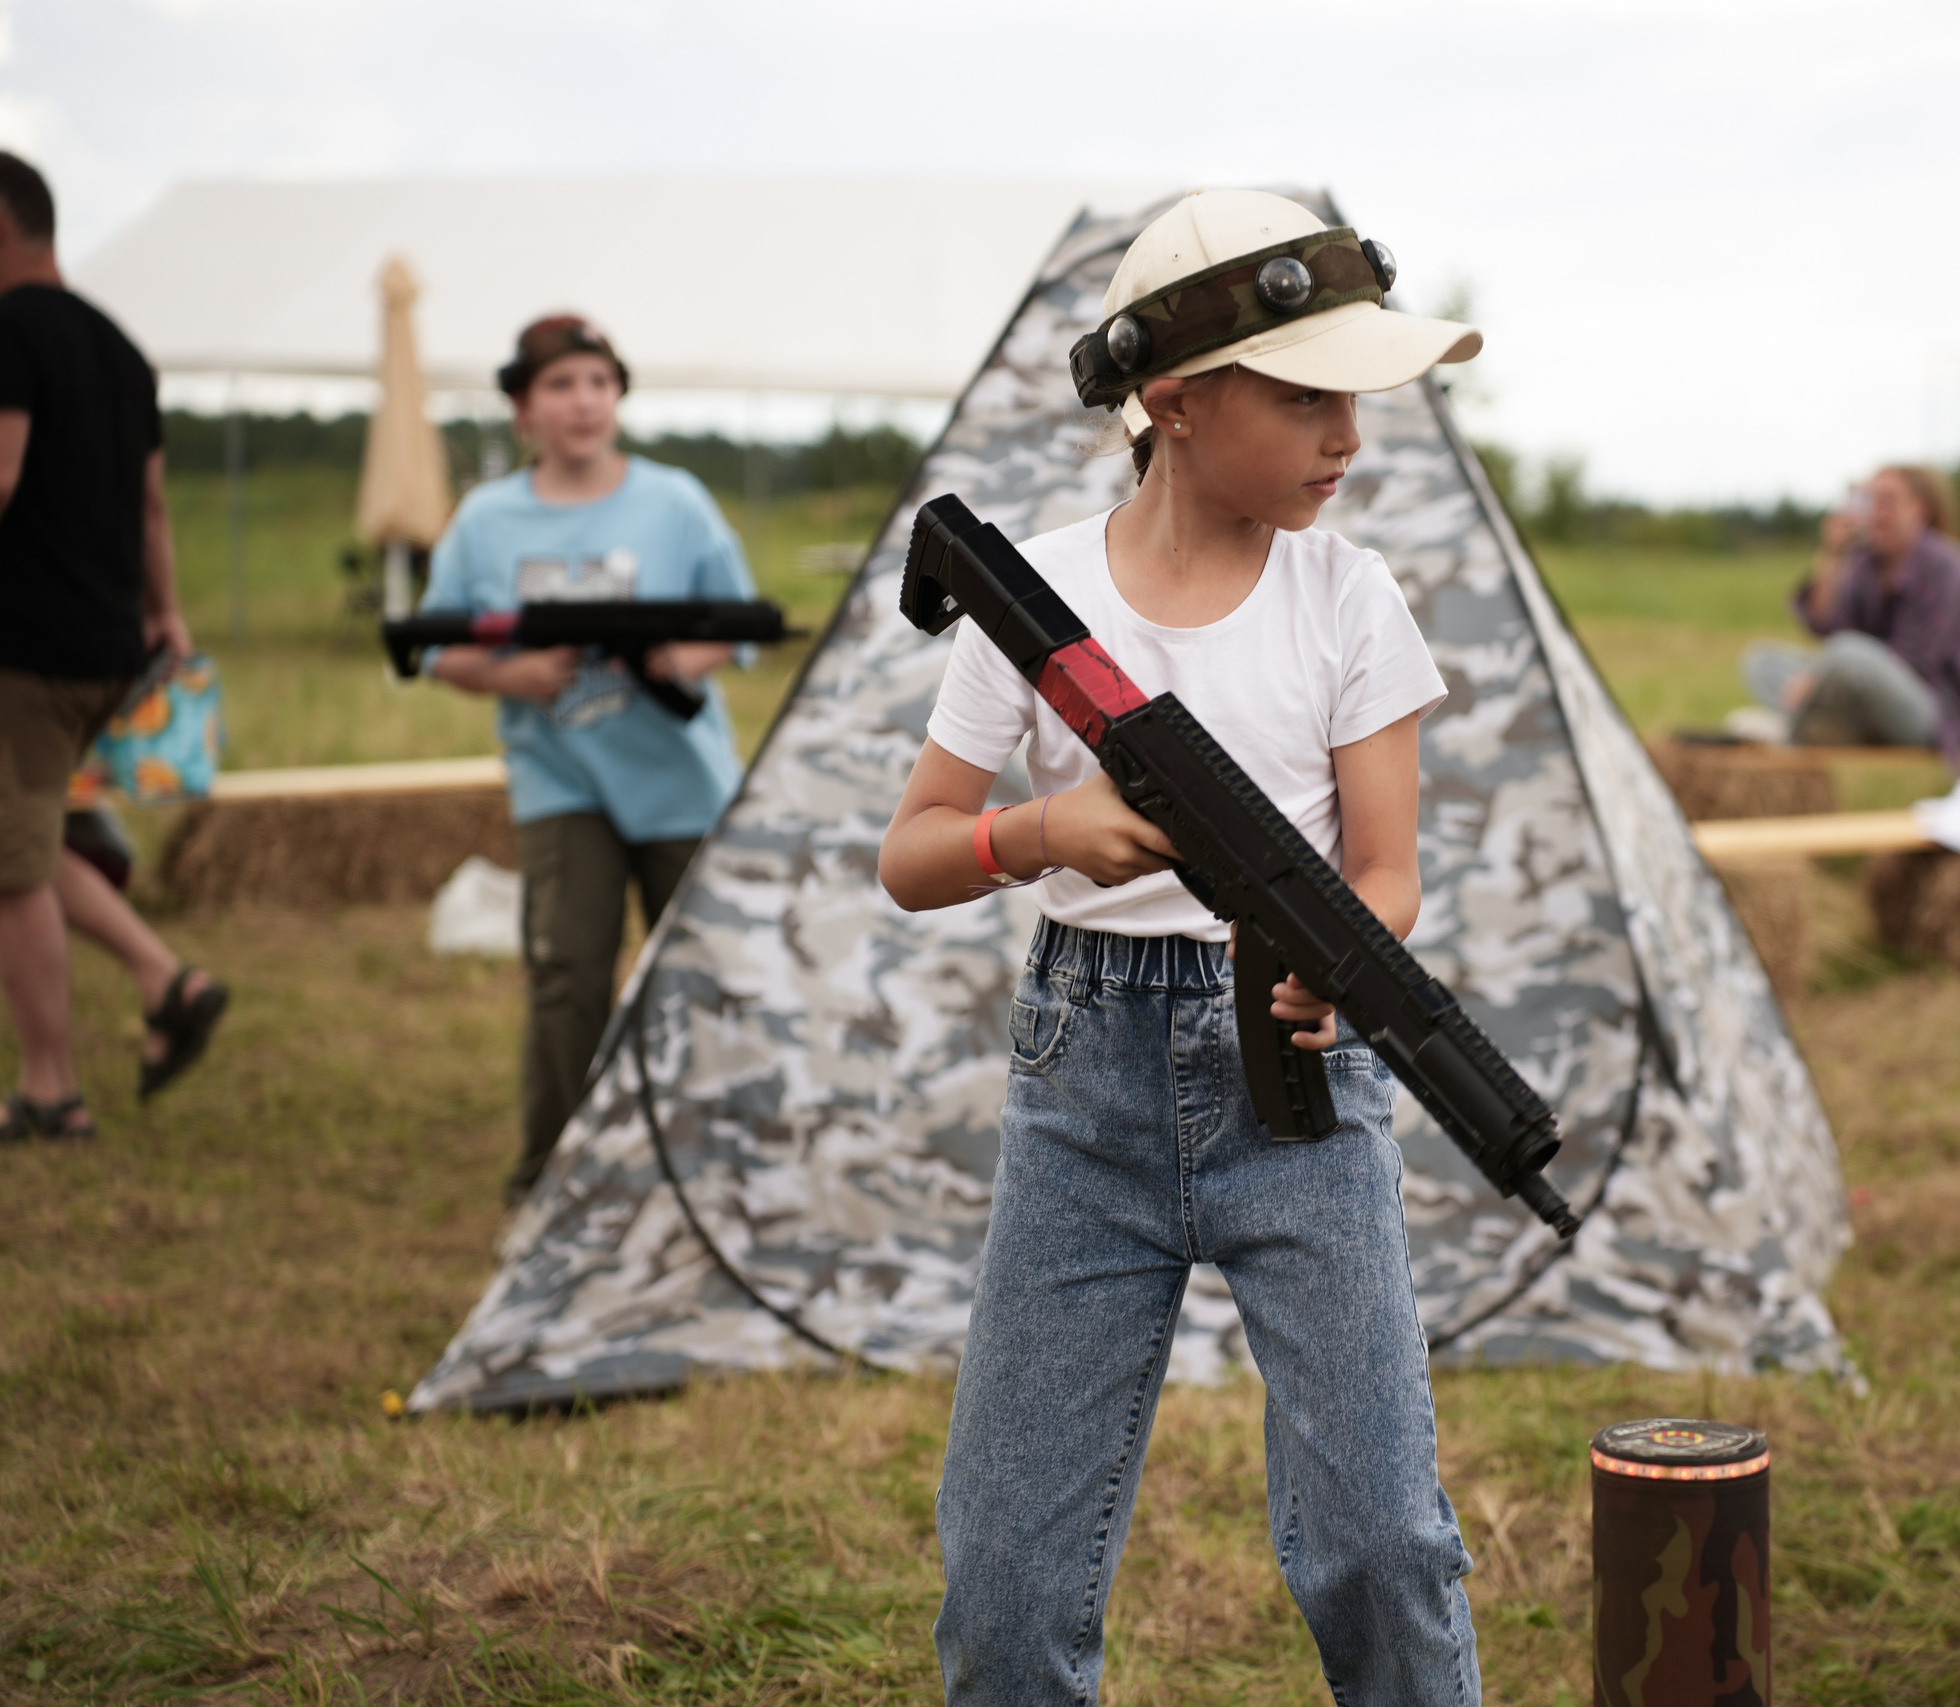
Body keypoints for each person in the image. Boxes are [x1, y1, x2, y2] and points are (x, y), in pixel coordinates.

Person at [877, 189, 1483, 1704]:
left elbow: (1389, 868)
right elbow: (913, 851)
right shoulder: (1036, 602)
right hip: (1085, 1082)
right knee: (1008, 1575)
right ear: (1174, 400)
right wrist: (1042, 833)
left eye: (1357, 395)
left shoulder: (1351, 592)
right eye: (1304, 396)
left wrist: (1345, 951)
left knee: (1383, 1545)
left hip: (1301, 1071)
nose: (1346, 432)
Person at [416, 316, 755, 1204]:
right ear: (523, 407)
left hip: (680, 778)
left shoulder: (675, 502)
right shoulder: (486, 520)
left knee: (700, 973)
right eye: (561, 385)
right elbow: (429, 645)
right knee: (568, 974)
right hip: (559, 776)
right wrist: (512, 674)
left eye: (599, 382)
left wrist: (678, 659)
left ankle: (710, 1171)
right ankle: (556, 1181)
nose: (584, 401)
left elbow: (738, 624)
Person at [0, 152, 227, 1143]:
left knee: (8, 874)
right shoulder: (121, 346)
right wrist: (164, 612)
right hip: (106, 648)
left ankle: (51, 1090)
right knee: (29, 841)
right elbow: (151, 503)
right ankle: (164, 978)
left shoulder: (6, 332)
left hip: (20, 651)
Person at [1737, 462, 1960, 768]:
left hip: (1935, 710)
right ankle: (1828, 728)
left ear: (1920, 509)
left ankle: (1794, 732)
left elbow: (1914, 659)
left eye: (1888, 501)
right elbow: (1825, 627)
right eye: (1870, 501)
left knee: (1849, 654)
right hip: (1865, 694)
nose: (1876, 512)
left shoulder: (1944, 564)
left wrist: (1820, 675)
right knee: (1760, 661)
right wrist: (1833, 554)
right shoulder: (1866, 562)